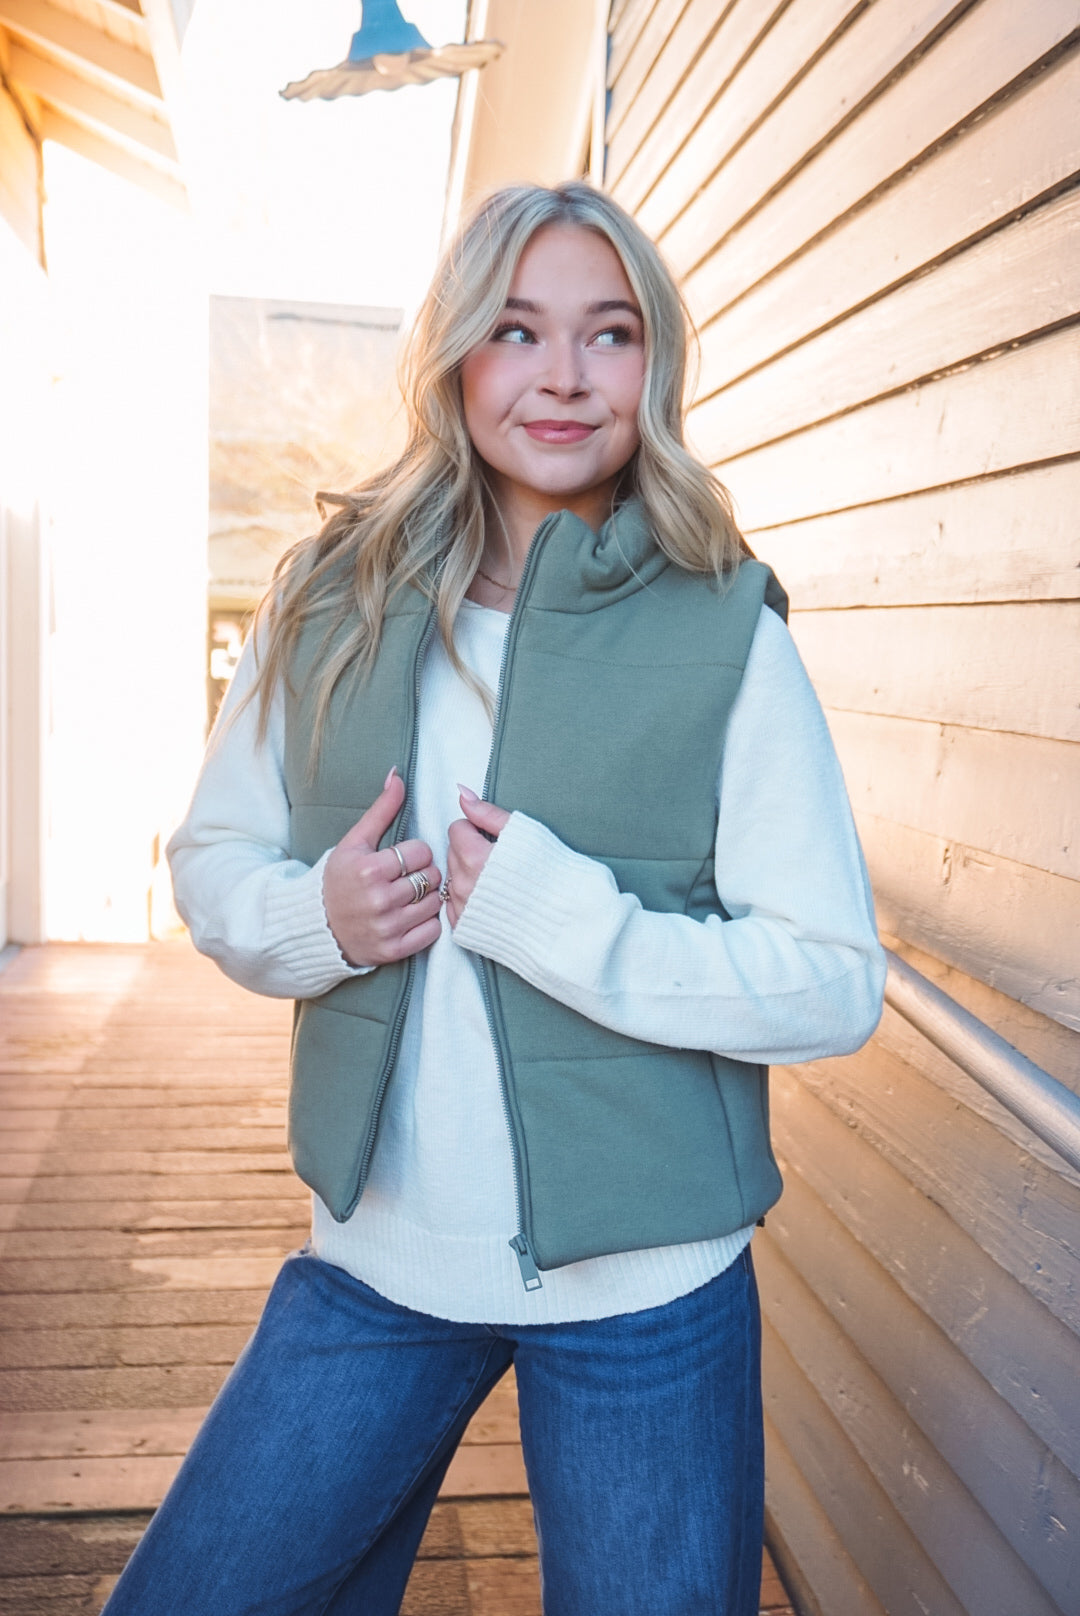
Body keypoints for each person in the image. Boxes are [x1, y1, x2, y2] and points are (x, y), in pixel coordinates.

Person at [103, 182, 885, 1616]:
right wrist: (316, 921)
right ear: (455, 352)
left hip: (649, 1292)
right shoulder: (328, 601)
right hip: (379, 1260)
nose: (564, 376)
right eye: (518, 330)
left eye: (609, 332)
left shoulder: (728, 631)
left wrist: (571, 927)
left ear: (654, 362)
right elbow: (212, 858)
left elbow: (833, 982)